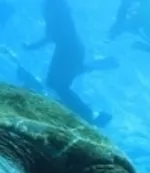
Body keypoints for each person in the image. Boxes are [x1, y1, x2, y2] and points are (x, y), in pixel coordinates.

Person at [16, 0, 119, 128]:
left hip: (69, 51)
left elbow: (51, 35)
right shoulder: (56, 10)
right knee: (56, 82)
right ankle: (86, 68)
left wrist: (32, 46)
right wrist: (32, 46)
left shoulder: (54, 11)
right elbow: (52, 35)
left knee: (58, 85)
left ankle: (90, 114)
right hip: (71, 49)